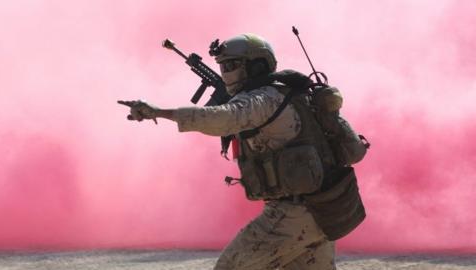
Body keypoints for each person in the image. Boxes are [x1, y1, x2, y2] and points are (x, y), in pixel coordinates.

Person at [119, 33, 368, 270]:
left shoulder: (263, 99)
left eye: (231, 66)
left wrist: (158, 112)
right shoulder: (289, 94)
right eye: (222, 67)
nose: (226, 74)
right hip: (323, 211)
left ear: (257, 66)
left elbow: (220, 119)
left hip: (293, 215)